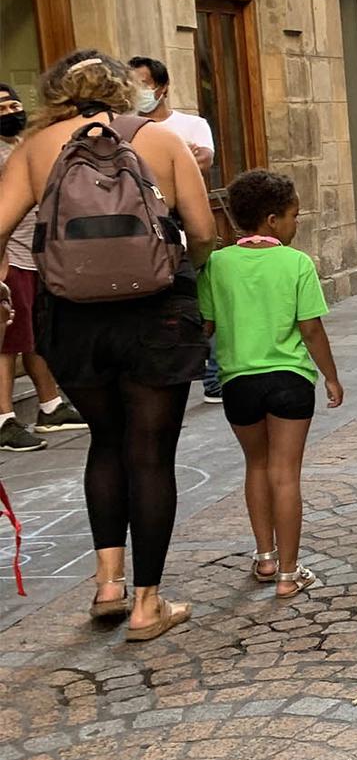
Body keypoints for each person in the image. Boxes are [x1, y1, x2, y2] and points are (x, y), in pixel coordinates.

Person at [0, 51, 215, 640]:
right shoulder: (162, 140)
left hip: (70, 316)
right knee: (150, 454)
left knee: (106, 442)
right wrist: (189, 279)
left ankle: (107, 583)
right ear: (124, 91)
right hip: (156, 314)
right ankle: (149, 605)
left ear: (55, 93)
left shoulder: (37, 148)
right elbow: (202, 232)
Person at [200, 169, 343, 597]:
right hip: (289, 379)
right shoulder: (296, 262)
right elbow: (311, 329)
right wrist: (331, 377)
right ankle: (289, 571)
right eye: (294, 215)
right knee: (286, 473)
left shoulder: (217, 264)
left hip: (238, 381)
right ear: (272, 220)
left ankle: (264, 556)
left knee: (257, 466)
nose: (297, 223)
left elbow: (206, 325)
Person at [130, 56, 227, 404]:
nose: (137, 92)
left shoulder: (191, 124)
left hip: (184, 225)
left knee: (203, 297)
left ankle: (213, 377)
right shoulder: (126, 129)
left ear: (162, 87)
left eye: (143, 83)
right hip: (145, 237)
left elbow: (203, 160)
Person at [0, 86, 86, 451]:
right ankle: (4, 418)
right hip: (10, 257)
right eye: (1, 107)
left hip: (35, 254)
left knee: (34, 334)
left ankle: (50, 405)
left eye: (14, 103)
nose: (10, 111)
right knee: (7, 341)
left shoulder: (23, 144)